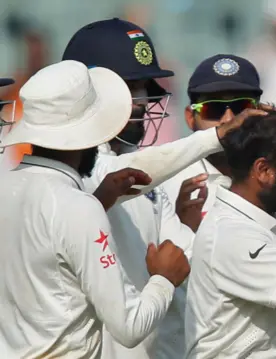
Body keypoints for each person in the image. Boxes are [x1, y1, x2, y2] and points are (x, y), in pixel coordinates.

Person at [61, 19, 265, 359]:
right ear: (92, 92)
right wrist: (216, 135)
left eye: (144, 88)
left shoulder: (150, 177)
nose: (142, 103)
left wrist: (189, 229)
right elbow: (119, 175)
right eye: (132, 88)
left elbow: (176, 267)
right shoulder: (78, 173)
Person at [0, 60, 190, 358]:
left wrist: (99, 200)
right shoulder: (79, 207)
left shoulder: (6, 188)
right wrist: (164, 278)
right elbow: (129, 327)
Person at [162, 54, 276, 358]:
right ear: (190, 117)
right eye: (214, 108)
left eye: (243, 107)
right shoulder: (166, 188)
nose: (230, 119)